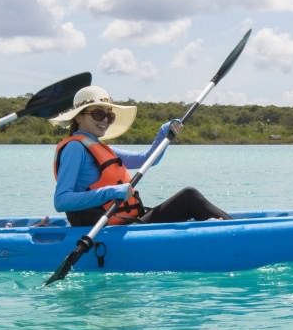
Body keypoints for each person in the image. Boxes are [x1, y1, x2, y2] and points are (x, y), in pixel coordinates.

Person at [50, 85, 232, 227]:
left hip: (129, 222)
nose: (105, 120)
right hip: (105, 230)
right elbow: (61, 201)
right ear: (78, 117)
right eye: (98, 114)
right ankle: (234, 230)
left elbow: (147, 160)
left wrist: (163, 134)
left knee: (189, 198)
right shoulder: (75, 148)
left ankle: (231, 227)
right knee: (189, 197)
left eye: (109, 115)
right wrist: (111, 192)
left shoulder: (101, 148)